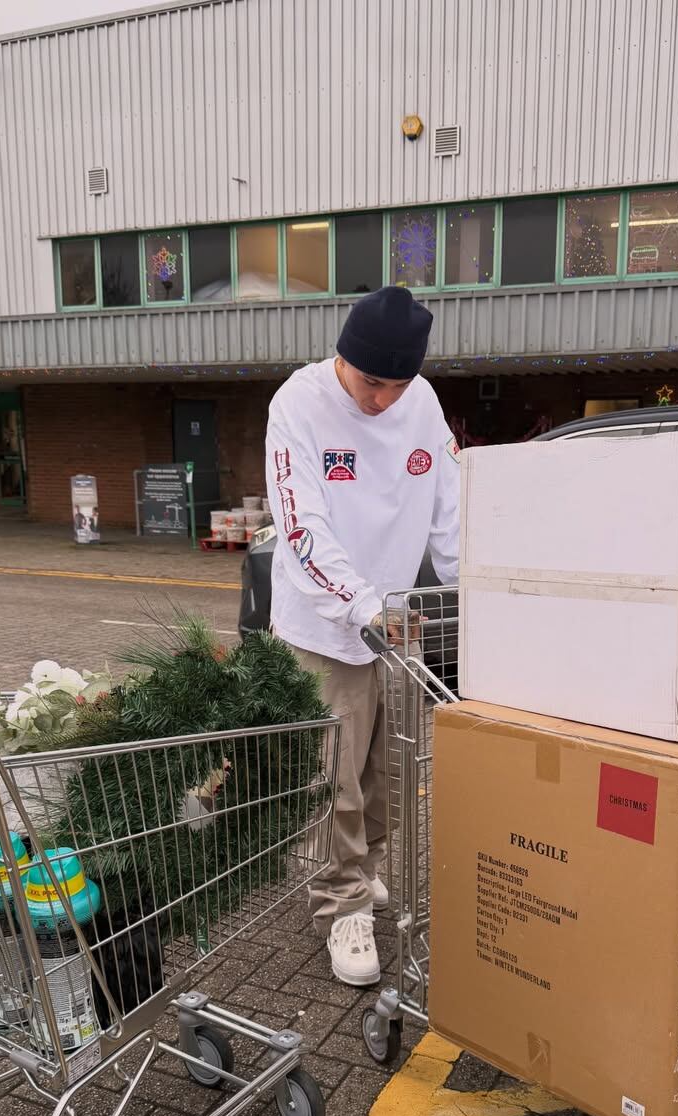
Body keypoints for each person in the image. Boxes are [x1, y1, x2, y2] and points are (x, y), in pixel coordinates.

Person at [265, 286, 460, 985]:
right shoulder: (299, 404)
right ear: (343, 358)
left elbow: (451, 508)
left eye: (397, 384)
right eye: (371, 382)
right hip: (326, 621)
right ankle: (340, 900)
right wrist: (362, 604)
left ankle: (365, 864)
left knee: (391, 771)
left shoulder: (423, 404)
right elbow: (300, 526)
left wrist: (478, 590)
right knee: (334, 775)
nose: (383, 400)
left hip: (399, 620)